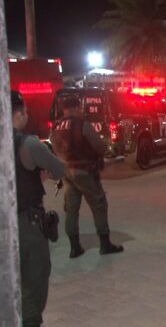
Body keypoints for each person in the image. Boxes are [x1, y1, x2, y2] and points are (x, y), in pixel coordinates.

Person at [11, 91, 65, 327]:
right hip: (25, 226)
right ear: (19, 114)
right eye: (26, 113)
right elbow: (59, 170)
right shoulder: (28, 144)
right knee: (33, 286)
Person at [50, 96, 123, 258]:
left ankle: (75, 248)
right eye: (80, 108)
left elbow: (54, 148)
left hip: (67, 172)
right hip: (85, 171)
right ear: (76, 108)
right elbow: (101, 147)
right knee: (99, 204)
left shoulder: (56, 127)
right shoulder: (82, 125)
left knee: (71, 209)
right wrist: (107, 149)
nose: (82, 110)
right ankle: (105, 244)